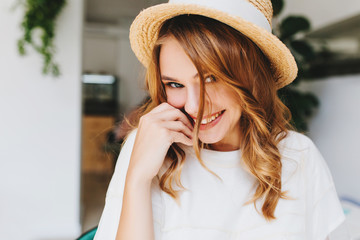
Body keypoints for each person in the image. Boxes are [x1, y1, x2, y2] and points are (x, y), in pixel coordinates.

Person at [94, 0, 346, 239]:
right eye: (174, 84)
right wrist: (137, 179)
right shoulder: (148, 147)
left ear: (253, 76)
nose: (193, 106)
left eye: (210, 78)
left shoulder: (299, 155)